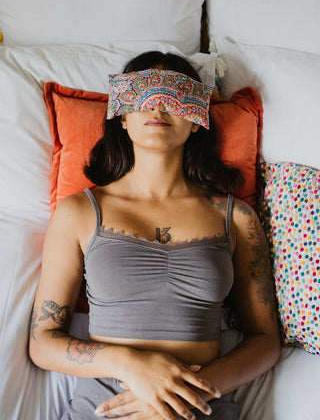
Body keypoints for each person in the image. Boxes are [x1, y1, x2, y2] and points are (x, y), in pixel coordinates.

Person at [29, 51, 280, 420]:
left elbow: (265, 342)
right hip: (104, 409)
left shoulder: (238, 218)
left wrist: (178, 392)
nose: (158, 105)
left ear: (196, 121)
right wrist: (132, 366)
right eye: (143, 93)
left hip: (200, 405)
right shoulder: (78, 212)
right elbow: (42, 341)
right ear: (123, 119)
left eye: (175, 95)